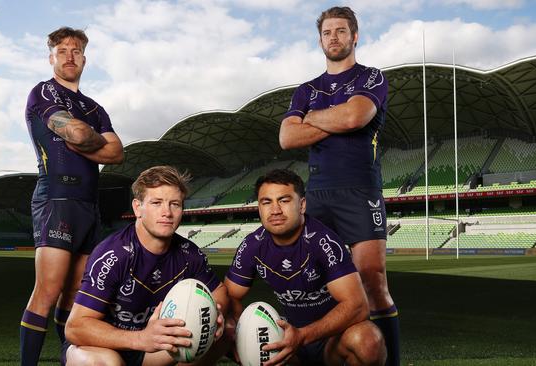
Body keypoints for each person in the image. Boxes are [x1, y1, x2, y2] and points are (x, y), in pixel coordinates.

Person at [278, 6, 399, 365]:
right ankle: (327, 354)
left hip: (360, 190)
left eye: (341, 31)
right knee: (319, 284)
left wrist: (313, 119)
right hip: (316, 195)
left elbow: (356, 115)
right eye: (328, 32)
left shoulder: (371, 77)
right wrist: (338, 119)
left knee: (373, 282)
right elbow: (287, 137)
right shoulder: (306, 89)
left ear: (354, 36)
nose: (334, 37)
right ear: (320, 40)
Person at [21, 26, 124, 365]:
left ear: (85, 59)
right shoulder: (44, 92)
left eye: (76, 51)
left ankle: (70, 360)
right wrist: (89, 139)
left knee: (74, 297)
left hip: (88, 205)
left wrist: (83, 140)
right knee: (48, 292)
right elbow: (77, 132)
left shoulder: (94, 107)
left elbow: (116, 152)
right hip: (57, 199)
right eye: (62, 50)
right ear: (51, 57)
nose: (70, 56)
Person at [64, 165, 228, 366]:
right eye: (156, 203)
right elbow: (75, 327)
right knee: (104, 363)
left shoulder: (189, 253)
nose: (167, 212)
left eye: (175, 204)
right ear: (137, 207)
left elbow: (219, 291)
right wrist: (141, 338)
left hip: (153, 348)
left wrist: (215, 311)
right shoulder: (113, 254)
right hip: (105, 347)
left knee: (227, 331)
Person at [224, 169, 385, 366]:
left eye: (284, 200)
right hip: (287, 336)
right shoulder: (252, 245)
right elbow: (230, 295)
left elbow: (358, 306)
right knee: (223, 334)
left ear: (302, 205)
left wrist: (302, 335)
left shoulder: (323, 241)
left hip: (330, 338)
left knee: (368, 340)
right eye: (266, 202)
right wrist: (240, 331)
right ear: (259, 208)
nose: (275, 210)